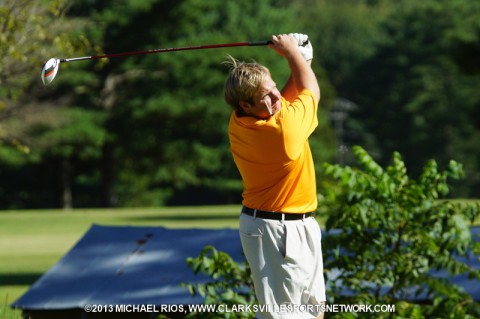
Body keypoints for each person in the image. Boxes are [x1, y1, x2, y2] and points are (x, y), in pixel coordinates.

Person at [224, 33, 326, 319]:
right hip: (274, 230)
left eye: (273, 88)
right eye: (264, 96)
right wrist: (294, 55)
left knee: (313, 312)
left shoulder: (243, 121)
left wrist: (300, 58)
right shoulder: (282, 134)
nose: (275, 97)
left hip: (299, 224)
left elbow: (287, 96)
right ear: (244, 105)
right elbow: (311, 91)